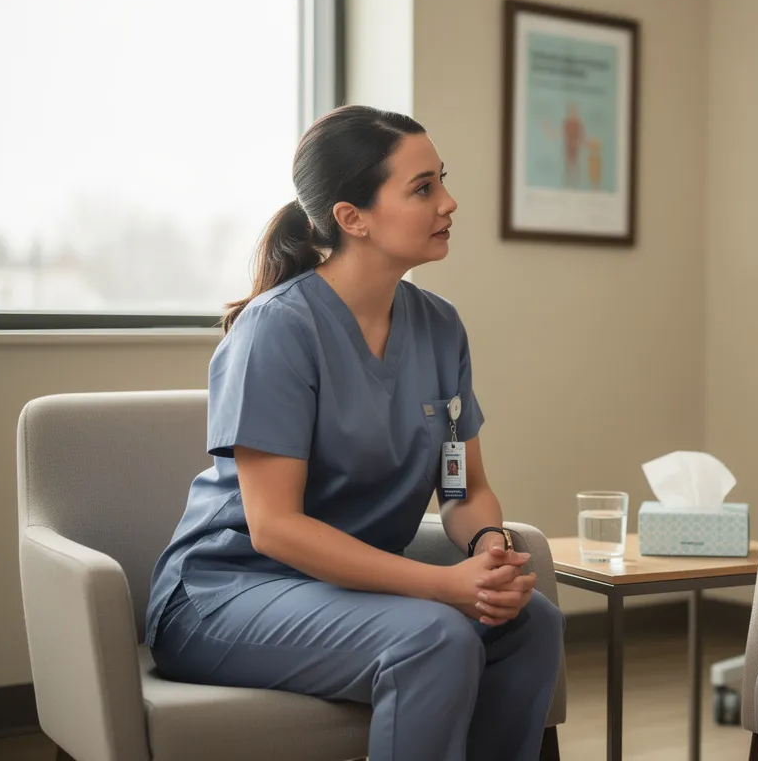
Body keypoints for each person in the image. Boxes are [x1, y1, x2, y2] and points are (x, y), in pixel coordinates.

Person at [144, 105, 563, 761]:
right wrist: (442, 585)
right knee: (436, 635)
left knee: (530, 622)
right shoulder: (278, 330)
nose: (449, 202)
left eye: (442, 180)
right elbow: (274, 527)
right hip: (226, 593)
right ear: (352, 218)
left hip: (347, 591)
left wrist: (486, 547)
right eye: (423, 188)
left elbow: (462, 486)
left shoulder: (440, 327)